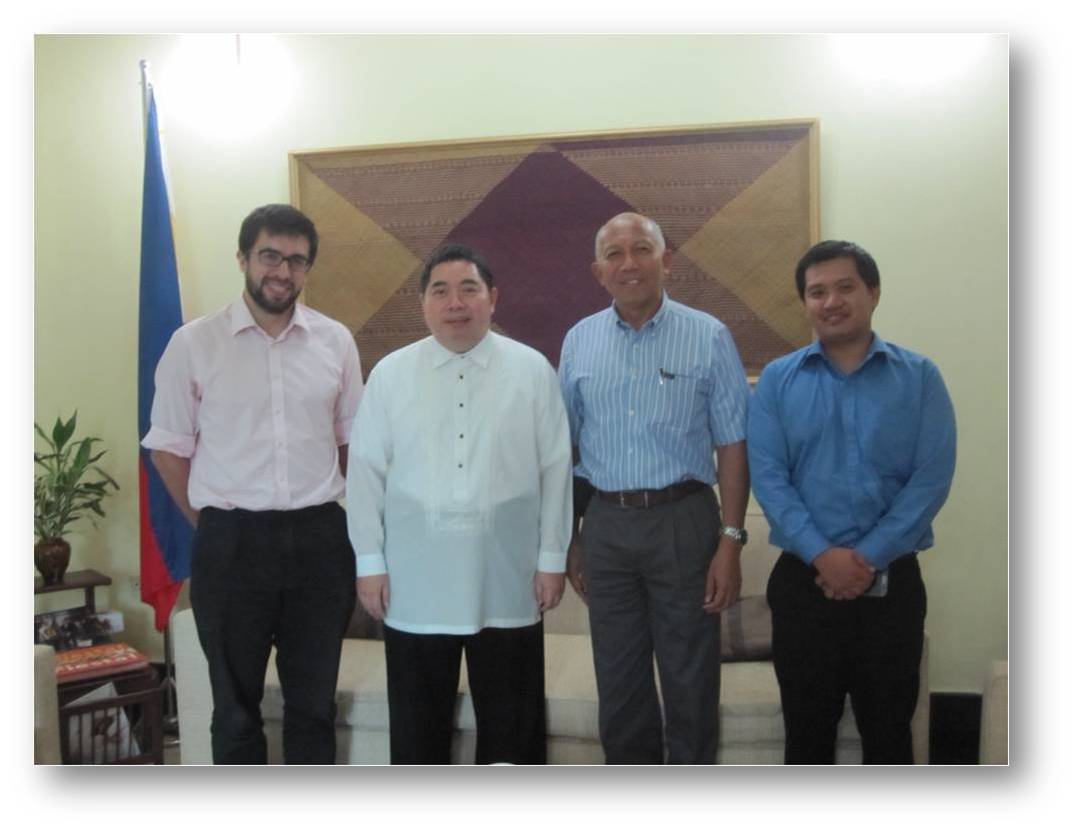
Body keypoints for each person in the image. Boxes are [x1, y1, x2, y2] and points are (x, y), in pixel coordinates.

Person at [142, 204, 363, 764]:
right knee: (235, 711)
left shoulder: (334, 342)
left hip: (320, 541)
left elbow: (350, 442)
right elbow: (168, 449)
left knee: (313, 707)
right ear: (243, 257)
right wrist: (214, 521)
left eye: (296, 260)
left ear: (307, 268)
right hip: (231, 543)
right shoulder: (193, 344)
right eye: (270, 255)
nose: (281, 272)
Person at [346, 243, 572, 765]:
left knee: (512, 731)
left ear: (493, 298)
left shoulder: (532, 369)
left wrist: (552, 558)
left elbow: (556, 468)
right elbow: (365, 474)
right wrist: (370, 562)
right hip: (415, 580)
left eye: (469, 289)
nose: (455, 303)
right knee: (418, 732)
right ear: (422, 303)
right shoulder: (390, 374)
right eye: (440, 291)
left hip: (509, 575)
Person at [747, 239, 957, 764]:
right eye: (816, 292)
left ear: (874, 293)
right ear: (805, 303)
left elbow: (931, 479)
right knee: (807, 737)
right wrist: (823, 555)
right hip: (802, 582)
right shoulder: (778, 379)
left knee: (888, 737)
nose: (830, 301)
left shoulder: (919, 377)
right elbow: (769, 479)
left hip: (891, 587)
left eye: (844, 287)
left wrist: (865, 559)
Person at [558, 212, 751, 764]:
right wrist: (571, 537)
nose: (629, 263)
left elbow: (733, 444)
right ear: (599, 272)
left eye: (641, 249)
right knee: (619, 683)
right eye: (614, 254)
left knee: (690, 677)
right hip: (608, 524)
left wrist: (730, 541)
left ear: (667, 260)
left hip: (684, 520)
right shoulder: (579, 341)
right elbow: (564, 449)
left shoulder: (708, 335)